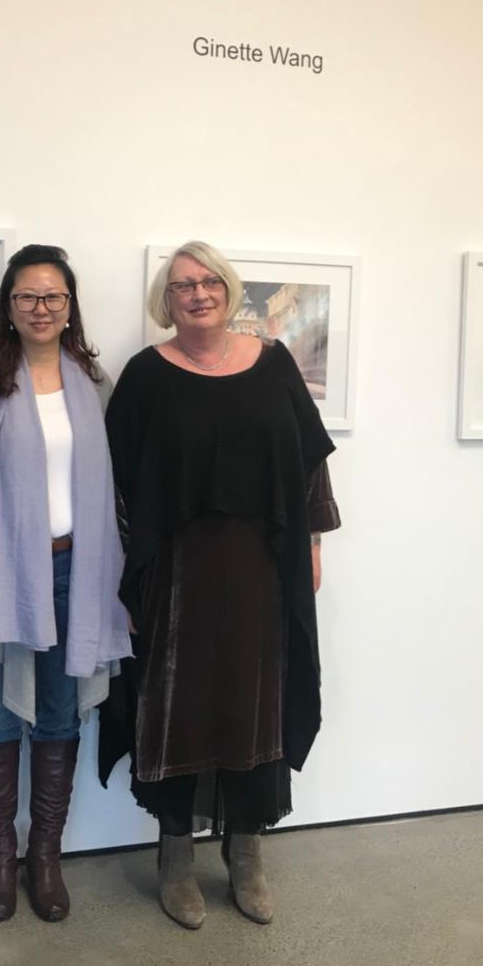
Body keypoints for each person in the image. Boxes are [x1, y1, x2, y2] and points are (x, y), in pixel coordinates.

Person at [99, 241, 340, 929]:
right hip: (175, 572)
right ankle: (174, 855)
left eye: (208, 282)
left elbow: (309, 463)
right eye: (182, 286)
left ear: (228, 291)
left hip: (261, 566)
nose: (197, 294)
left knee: (253, 702)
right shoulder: (145, 376)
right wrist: (124, 576)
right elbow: (116, 483)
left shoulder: (273, 364)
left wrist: (314, 543)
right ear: (166, 300)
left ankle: (246, 852)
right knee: (176, 702)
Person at [0, 244, 130, 923]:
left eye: (54, 296)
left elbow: (117, 490)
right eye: (27, 297)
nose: (42, 307)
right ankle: (0, 858)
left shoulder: (95, 383)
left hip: (76, 574)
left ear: (70, 305)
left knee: (58, 715)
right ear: (10, 306)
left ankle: (44, 858)